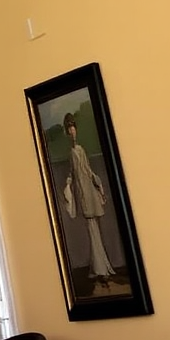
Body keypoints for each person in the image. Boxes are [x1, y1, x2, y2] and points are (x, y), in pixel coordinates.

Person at [61, 111, 115, 288]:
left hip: (89, 190)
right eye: (70, 130)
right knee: (92, 229)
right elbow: (72, 172)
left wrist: (98, 184)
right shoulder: (71, 152)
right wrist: (68, 187)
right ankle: (99, 268)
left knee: (95, 228)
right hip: (82, 191)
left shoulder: (80, 150)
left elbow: (86, 169)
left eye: (74, 129)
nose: (72, 133)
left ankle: (100, 267)